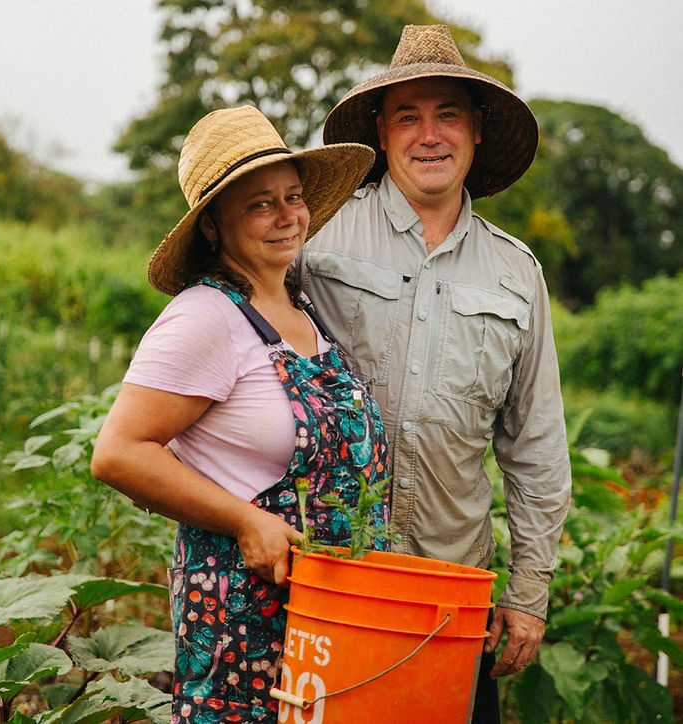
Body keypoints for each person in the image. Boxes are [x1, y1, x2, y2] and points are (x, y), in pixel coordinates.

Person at [300, 24, 572, 723]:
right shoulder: (317, 236)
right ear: (381, 131)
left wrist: (528, 592)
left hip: (451, 593)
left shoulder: (517, 274)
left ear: (477, 130)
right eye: (408, 116)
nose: (430, 135)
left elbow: (535, 449)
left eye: (448, 114)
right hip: (329, 573)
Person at [91, 105, 389, 723]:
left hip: (325, 618)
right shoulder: (205, 317)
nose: (288, 217)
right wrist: (246, 522)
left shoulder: (304, 311)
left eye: (294, 197)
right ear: (212, 226)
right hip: (243, 614)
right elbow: (119, 452)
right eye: (260, 204)